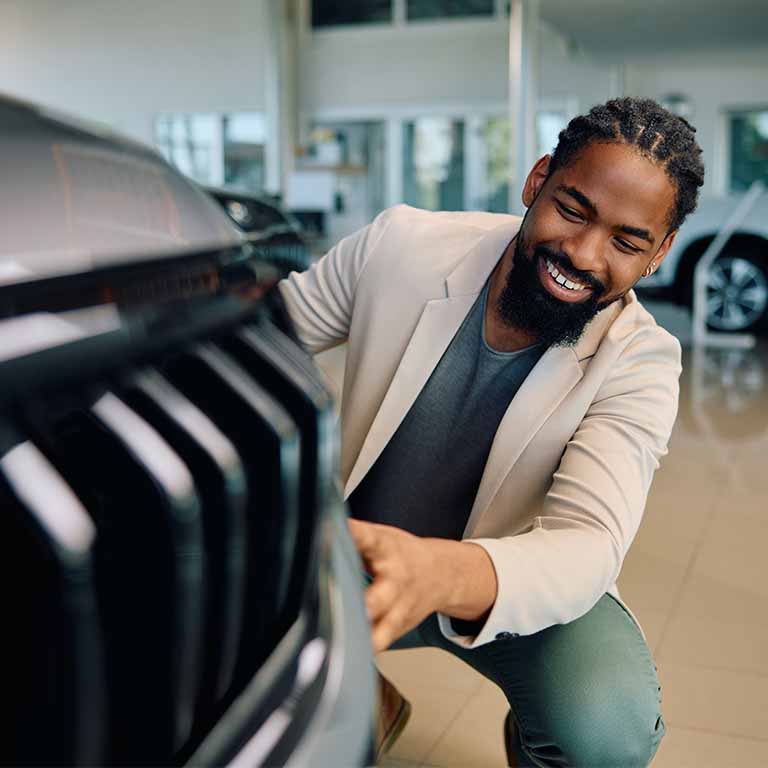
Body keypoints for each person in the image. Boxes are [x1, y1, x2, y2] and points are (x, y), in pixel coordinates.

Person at [277, 97, 704, 767]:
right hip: (350, 554)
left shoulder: (643, 360)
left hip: (508, 581)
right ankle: (363, 695)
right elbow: (266, 343)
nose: (583, 255)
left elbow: (586, 546)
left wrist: (441, 573)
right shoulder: (402, 246)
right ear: (538, 181)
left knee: (606, 733)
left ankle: (530, 741)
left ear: (660, 252)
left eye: (626, 241)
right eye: (573, 210)